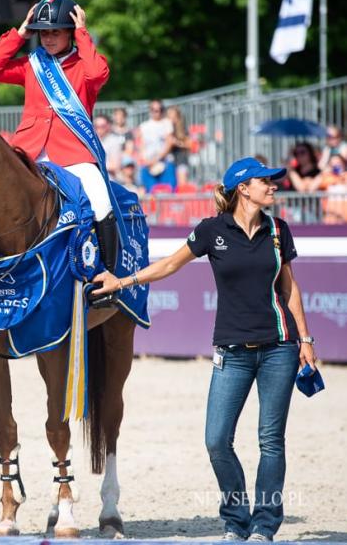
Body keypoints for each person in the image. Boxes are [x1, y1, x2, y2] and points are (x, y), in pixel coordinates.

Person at [91, 156, 317, 541]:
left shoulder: (279, 230)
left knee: (270, 440)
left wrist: (306, 340)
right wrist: (122, 282)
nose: (274, 186)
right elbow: (169, 265)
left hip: (280, 347)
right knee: (216, 440)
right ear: (243, 188)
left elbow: (289, 287)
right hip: (232, 349)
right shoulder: (212, 230)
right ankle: (236, 518)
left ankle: (263, 525)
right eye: (267, 181)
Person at [0, 0, 121, 301]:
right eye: (44, 31)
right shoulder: (33, 64)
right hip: (27, 152)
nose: (49, 37)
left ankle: (106, 277)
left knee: (100, 199)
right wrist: (20, 33)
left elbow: (97, 75)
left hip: (72, 154)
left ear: (70, 31)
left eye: (56, 30)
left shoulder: (86, 66)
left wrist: (83, 33)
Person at [136, 99, 176, 192]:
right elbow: (141, 144)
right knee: (150, 196)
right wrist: (145, 160)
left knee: (168, 194)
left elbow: (169, 143)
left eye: (159, 109)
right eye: (154, 109)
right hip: (148, 165)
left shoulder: (167, 123)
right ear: (150, 110)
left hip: (165, 163)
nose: (157, 112)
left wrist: (156, 159)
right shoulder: (144, 126)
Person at [167, 105, 191, 186]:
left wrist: (176, 142)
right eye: (169, 117)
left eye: (174, 117)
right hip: (169, 161)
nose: (172, 120)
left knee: (182, 184)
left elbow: (189, 144)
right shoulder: (166, 128)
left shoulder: (182, 129)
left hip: (181, 159)